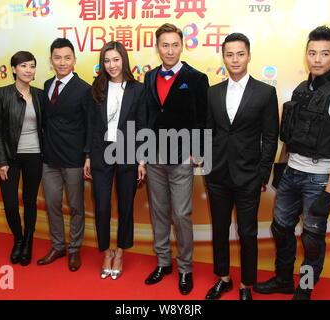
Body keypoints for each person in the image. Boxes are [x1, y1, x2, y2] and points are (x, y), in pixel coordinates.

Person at [253, 26, 330, 300]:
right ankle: (284, 279)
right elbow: (291, 135)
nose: (317, 59)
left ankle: (306, 286)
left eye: (324, 53)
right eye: (312, 53)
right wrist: (281, 166)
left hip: (320, 178)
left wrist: (329, 192)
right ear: (306, 55)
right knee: (281, 228)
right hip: (292, 172)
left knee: (311, 239)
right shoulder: (302, 90)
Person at [204, 33, 279, 300]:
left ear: (248, 55)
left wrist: (262, 173)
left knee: (247, 232)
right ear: (223, 57)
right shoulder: (212, 92)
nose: (234, 59)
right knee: (220, 229)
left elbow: (270, 137)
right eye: (229, 54)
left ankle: (247, 283)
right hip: (217, 175)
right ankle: (223, 277)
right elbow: (208, 132)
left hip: (249, 176)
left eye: (240, 54)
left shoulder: (265, 92)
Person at [143, 23, 209, 295]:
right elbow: (147, 114)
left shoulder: (196, 77)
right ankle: (163, 262)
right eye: (164, 45)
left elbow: (203, 117)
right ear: (157, 47)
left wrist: (198, 152)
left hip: (182, 156)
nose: (169, 50)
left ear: (182, 46)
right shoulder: (149, 77)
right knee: (158, 212)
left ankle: (185, 268)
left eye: (174, 45)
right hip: (153, 156)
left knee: (181, 215)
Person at [83, 41, 147, 280]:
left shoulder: (137, 89)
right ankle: (106, 251)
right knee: (101, 205)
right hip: (101, 152)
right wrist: (88, 155)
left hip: (128, 153)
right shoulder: (97, 87)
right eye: (107, 61)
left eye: (116, 60)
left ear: (124, 61)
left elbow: (142, 126)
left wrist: (142, 159)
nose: (111, 65)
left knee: (125, 206)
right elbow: (90, 124)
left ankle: (120, 252)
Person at [37, 38, 92, 272]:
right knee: (52, 204)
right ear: (51, 61)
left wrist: (88, 156)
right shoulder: (47, 84)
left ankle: (74, 249)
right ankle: (58, 245)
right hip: (49, 157)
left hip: (74, 158)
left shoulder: (85, 89)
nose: (62, 62)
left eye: (67, 57)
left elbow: (91, 125)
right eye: (57, 58)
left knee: (76, 206)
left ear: (74, 61)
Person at [0, 51, 44, 266]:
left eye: (32, 66)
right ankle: (18, 239)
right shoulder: (1, 93)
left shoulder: (40, 95)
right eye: (24, 66)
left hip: (35, 156)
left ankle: (28, 240)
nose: (28, 70)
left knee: (30, 201)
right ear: (14, 69)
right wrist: (2, 161)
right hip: (10, 158)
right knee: (11, 204)